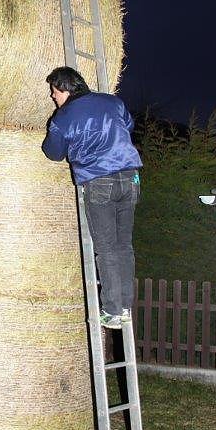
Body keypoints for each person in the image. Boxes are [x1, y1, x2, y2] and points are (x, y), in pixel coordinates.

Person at [42, 66, 142, 329]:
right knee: (124, 245)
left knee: (107, 247)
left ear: (64, 89)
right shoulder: (113, 101)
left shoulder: (62, 117)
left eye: (54, 92)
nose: (53, 98)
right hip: (130, 179)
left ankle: (111, 311)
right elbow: (128, 125)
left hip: (99, 181)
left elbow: (53, 153)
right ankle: (125, 307)